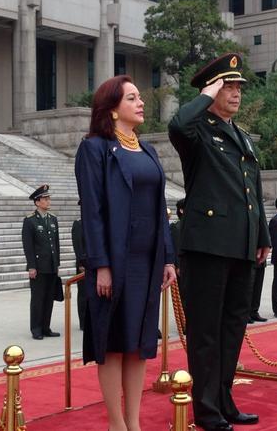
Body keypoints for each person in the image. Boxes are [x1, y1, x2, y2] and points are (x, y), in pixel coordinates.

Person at [168, 53, 270, 431]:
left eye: (238, 87)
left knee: (232, 328)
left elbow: (253, 192)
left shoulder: (240, 134)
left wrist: (261, 234)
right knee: (206, 332)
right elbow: (177, 124)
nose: (236, 93)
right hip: (207, 246)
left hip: (241, 246)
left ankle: (225, 401)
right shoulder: (197, 132)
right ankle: (207, 410)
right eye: (228, 86)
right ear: (210, 88)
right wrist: (206, 94)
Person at [75, 74, 176, 431]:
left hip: (147, 262)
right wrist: (100, 265)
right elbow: (93, 211)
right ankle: (116, 423)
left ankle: (134, 422)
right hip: (115, 262)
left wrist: (168, 258)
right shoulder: (95, 148)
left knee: (139, 342)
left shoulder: (146, 149)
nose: (141, 103)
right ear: (113, 109)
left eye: (139, 97)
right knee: (115, 342)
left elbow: (159, 206)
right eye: (132, 98)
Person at [21, 184, 61, 340]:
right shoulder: (30, 221)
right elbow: (28, 246)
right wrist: (31, 266)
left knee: (49, 298)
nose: (48, 201)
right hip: (38, 267)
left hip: (51, 266)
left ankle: (46, 327)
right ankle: (36, 328)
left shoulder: (53, 219)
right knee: (38, 299)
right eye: (45, 198)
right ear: (37, 202)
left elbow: (56, 244)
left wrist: (56, 263)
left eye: (48, 198)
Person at [71, 205, 86, 330]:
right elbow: (78, 245)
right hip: (83, 265)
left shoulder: (93, 222)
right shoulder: (78, 224)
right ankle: (83, 321)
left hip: (94, 264)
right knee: (83, 294)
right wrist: (81, 263)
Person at [169, 198, 186, 311]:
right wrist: (178, 266)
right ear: (181, 210)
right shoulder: (176, 227)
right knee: (183, 297)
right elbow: (176, 246)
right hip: (183, 268)